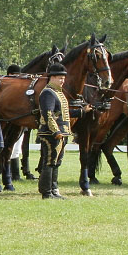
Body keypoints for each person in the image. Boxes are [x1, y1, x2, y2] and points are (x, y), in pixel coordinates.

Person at [37, 62, 71, 199]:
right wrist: (56, 132)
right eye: (59, 78)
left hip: (62, 133)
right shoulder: (48, 93)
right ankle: (46, 191)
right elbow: (48, 114)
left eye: (63, 78)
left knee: (56, 162)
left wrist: (82, 111)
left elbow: (63, 113)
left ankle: (54, 189)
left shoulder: (58, 93)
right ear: (52, 78)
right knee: (49, 162)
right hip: (51, 134)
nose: (62, 80)